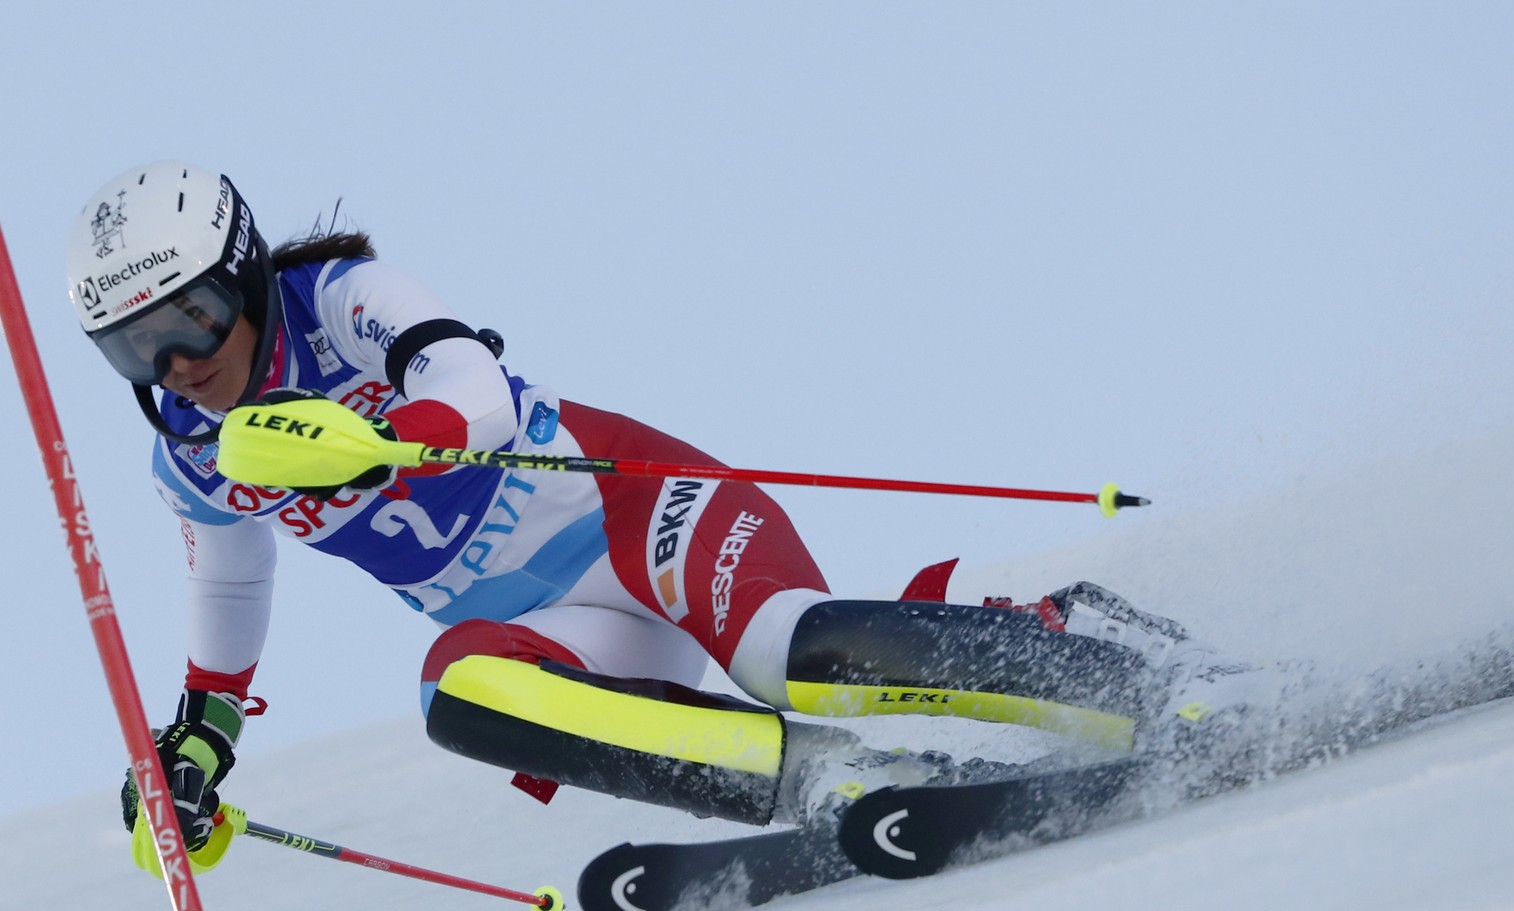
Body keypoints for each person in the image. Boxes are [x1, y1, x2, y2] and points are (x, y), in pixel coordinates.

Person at [67, 161, 1268, 863]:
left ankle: (1147, 684)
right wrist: (198, 743)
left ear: (244, 274)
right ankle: (835, 781)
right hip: (572, 627)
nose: (174, 363)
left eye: (192, 320)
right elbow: (228, 585)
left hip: (645, 517)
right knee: (458, 690)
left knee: (799, 650)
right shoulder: (192, 451)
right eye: (134, 347)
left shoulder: (338, 298)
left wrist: (388, 439)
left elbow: (472, 386)